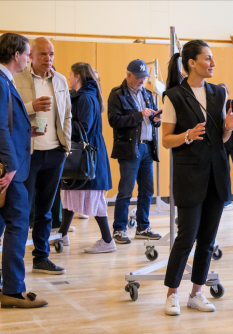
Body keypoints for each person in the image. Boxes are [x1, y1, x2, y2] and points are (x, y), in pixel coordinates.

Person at [161, 40, 233, 316]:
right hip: (189, 175)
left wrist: (229, 128)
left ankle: (196, 293)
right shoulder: (173, 95)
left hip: (216, 175)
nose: (212, 63)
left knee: (208, 240)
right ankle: (171, 294)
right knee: (186, 237)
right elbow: (166, 141)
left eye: (212, 59)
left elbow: (220, 139)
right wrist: (187, 136)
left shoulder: (218, 93)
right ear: (191, 63)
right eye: (207, 59)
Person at [14, 37, 72, 275]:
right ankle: (14, 260)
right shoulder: (17, 78)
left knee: (46, 210)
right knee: (21, 209)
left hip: (55, 153)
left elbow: (67, 113)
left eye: (52, 54)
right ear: (31, 56)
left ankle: (41, 257)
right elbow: (10, 112)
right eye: (43, 55)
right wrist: (32, 107)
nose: (48, 59)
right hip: (28, 153)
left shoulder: (60, 80)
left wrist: (65, 146)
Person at [0, 32, 48, 308]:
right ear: (16, 55)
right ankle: (13, 290)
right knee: (18, 225)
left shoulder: (6, 81)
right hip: (11, 169)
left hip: (10, 165)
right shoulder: (2, 81)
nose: (29, 58)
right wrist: (10, 167)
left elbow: (7, 125)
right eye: (28, 53)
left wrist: (24, 130)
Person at [56, 62, 115, 253]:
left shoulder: (85, 98)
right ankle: (62, 235)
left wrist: (63, 127)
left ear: (78, 76)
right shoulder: (86, 96)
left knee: (93, 197)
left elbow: (84, 127)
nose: (69, 77)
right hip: (90, 152)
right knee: (71, 192)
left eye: (71, 74)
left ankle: (107, 240)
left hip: (86, 155)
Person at [108, 59, 163, 244]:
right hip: (130, 148)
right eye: (138, 77)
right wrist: (139, 116)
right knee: (126, 191)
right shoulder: (117, 94)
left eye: (144, 77)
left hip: (147, 146)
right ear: (128, 75)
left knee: (147, 190)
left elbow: (153, 118)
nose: (141, 81)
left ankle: (143, 227)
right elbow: (114, 121)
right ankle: (119, 229)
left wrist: (157, 120)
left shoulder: (148, 94)